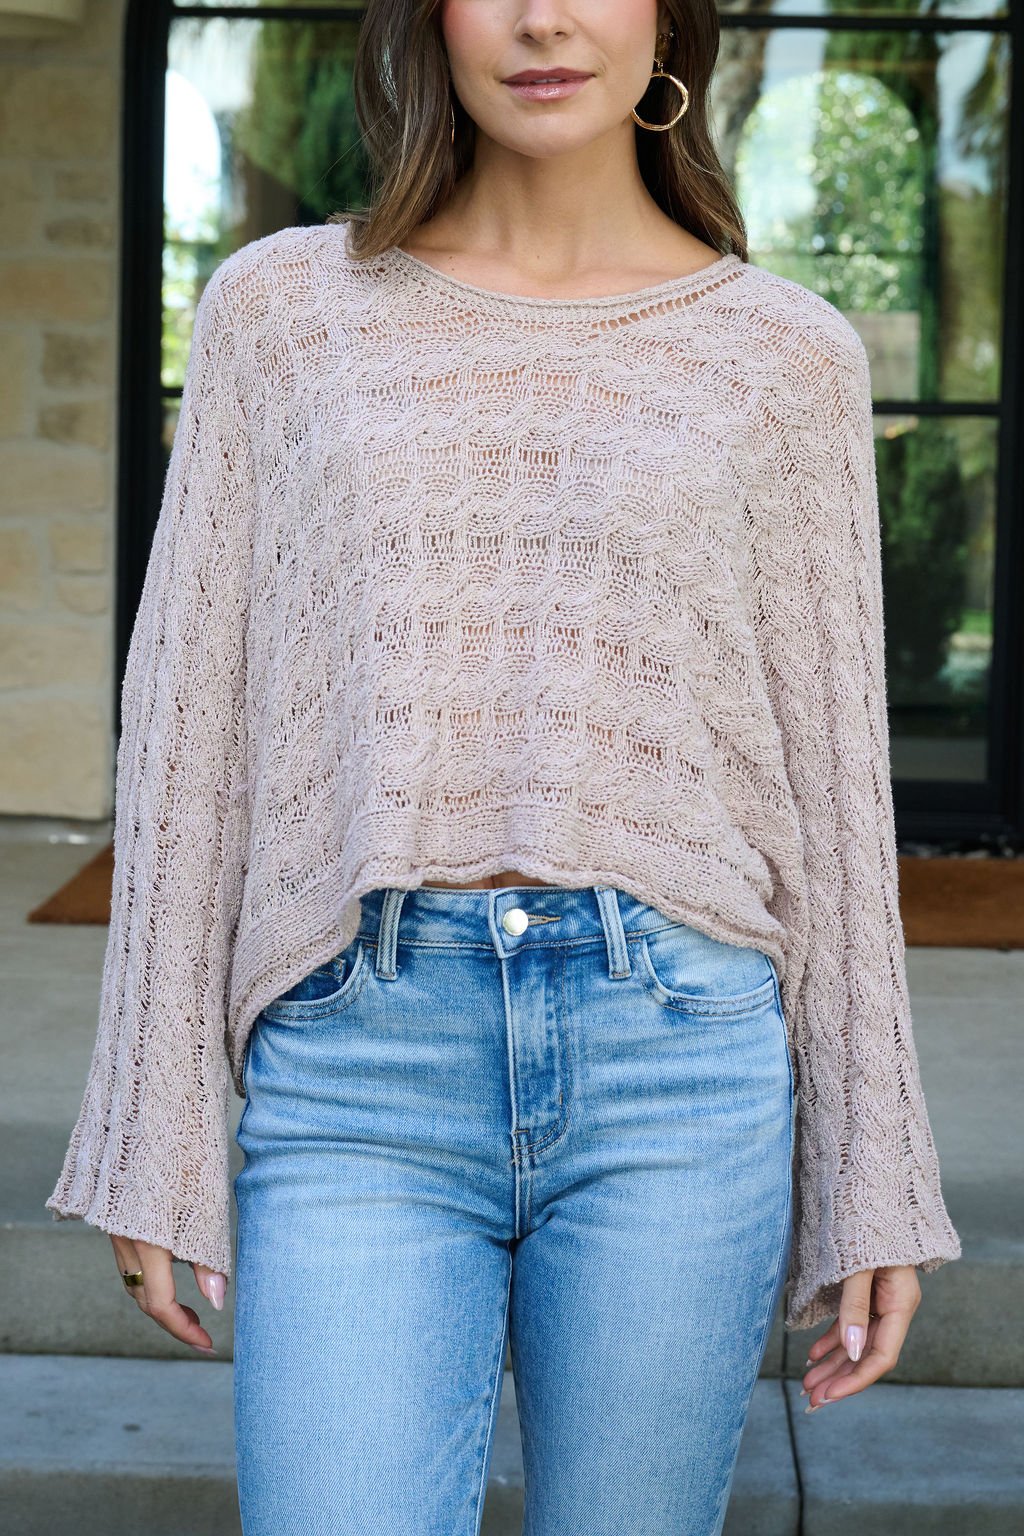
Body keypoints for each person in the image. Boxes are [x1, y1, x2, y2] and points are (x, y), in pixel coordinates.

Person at [46, 3, 961, 1532]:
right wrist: (155, 1109)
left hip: (682, 1059)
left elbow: (837, 789)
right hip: (356, 1057)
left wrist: (876, 1165)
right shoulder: (287, 311)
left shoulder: (786, 357)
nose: (543, 17)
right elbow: (188, 729)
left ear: (672, 20)